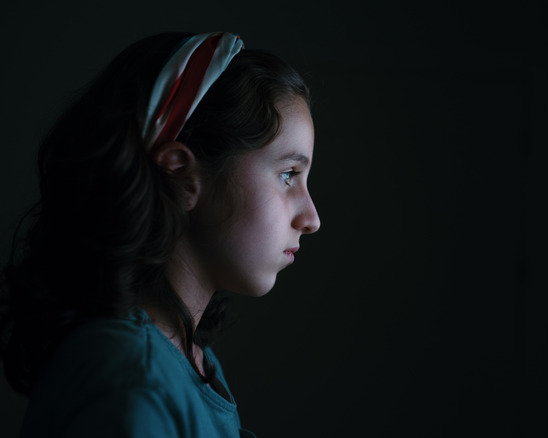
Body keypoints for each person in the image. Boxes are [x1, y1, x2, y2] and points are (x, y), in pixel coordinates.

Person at [0, 31, 321, 437]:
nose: (312, 218)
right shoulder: (131, 378)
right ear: (183, 176)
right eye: (288, 174)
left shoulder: (190, 364)